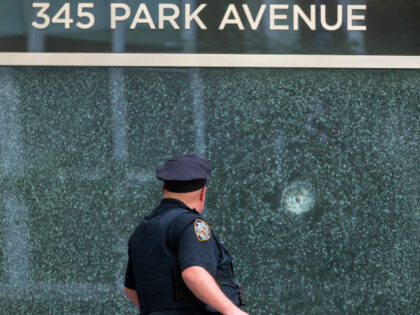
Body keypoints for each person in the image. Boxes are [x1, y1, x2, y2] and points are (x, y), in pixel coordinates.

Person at [124, 154, 248, 315]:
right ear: (203, 192)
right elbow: (194, 272)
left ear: (163, 189)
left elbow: (130, 290)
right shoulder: (191, 225)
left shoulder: (142, 229)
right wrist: (231, 311)